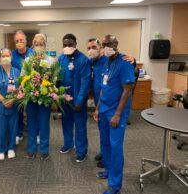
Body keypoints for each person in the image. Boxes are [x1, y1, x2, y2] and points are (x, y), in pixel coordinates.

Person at [93, 35, 135, 194]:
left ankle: (115, 185)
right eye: (104, 44)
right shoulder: (106, 62)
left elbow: (127, 90)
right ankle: (109, 171)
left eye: (109, 44)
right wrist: (97, 108)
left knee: (116, 147)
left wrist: (117, 114)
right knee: (105, 144)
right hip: (103, 109)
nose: (106, 47)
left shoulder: (125, 63)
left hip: (116, 112)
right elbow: (104, 86)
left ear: (116, 44)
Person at [58, 34, 91, 163]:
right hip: (64, 99)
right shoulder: (61, 58)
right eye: (65, 45)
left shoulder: (83, 60)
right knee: (66, 123)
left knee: (80, 125)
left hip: (78, 100)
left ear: (75, 44)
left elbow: (85, 82)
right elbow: (58, 78)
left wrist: (80, 101)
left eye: (70, 44)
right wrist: (57, 96)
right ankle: (68, 144)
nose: (67, 47)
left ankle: (81, 151)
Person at [24, 34, 55, 160]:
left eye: (41, 44)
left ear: (45, 46)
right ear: (32, 46)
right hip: (31, 98)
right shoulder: (27, 61)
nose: (38, 47)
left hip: (45, 98)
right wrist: (28, 89)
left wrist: (49, 91)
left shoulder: (51, 61)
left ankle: (44, 149)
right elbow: (22, 77)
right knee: (31, 124)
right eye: (36, 44)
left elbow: (54, 79)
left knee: (44, 124)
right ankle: (31, 149)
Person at [0, 49, 20, 160]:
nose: (5, 57)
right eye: (3, 56)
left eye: (7, 55)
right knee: (0, 129)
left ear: (11, 57)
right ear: (0, 58)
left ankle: (11, 148)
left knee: (12, 128)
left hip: (13, 104)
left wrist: (12, 99)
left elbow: (20, 88)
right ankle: (1, 150)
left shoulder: (16, 71)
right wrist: (4, 100)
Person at [11, 30, 34, 144]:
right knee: (18, 112)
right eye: (17, 41)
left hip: (31, 87)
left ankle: (34, 133)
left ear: (26, 41)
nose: (19, 42)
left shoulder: (33, 53)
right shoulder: (11, 55)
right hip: (17, 88)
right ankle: (18, 133)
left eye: (21, 40)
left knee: (32, 112)